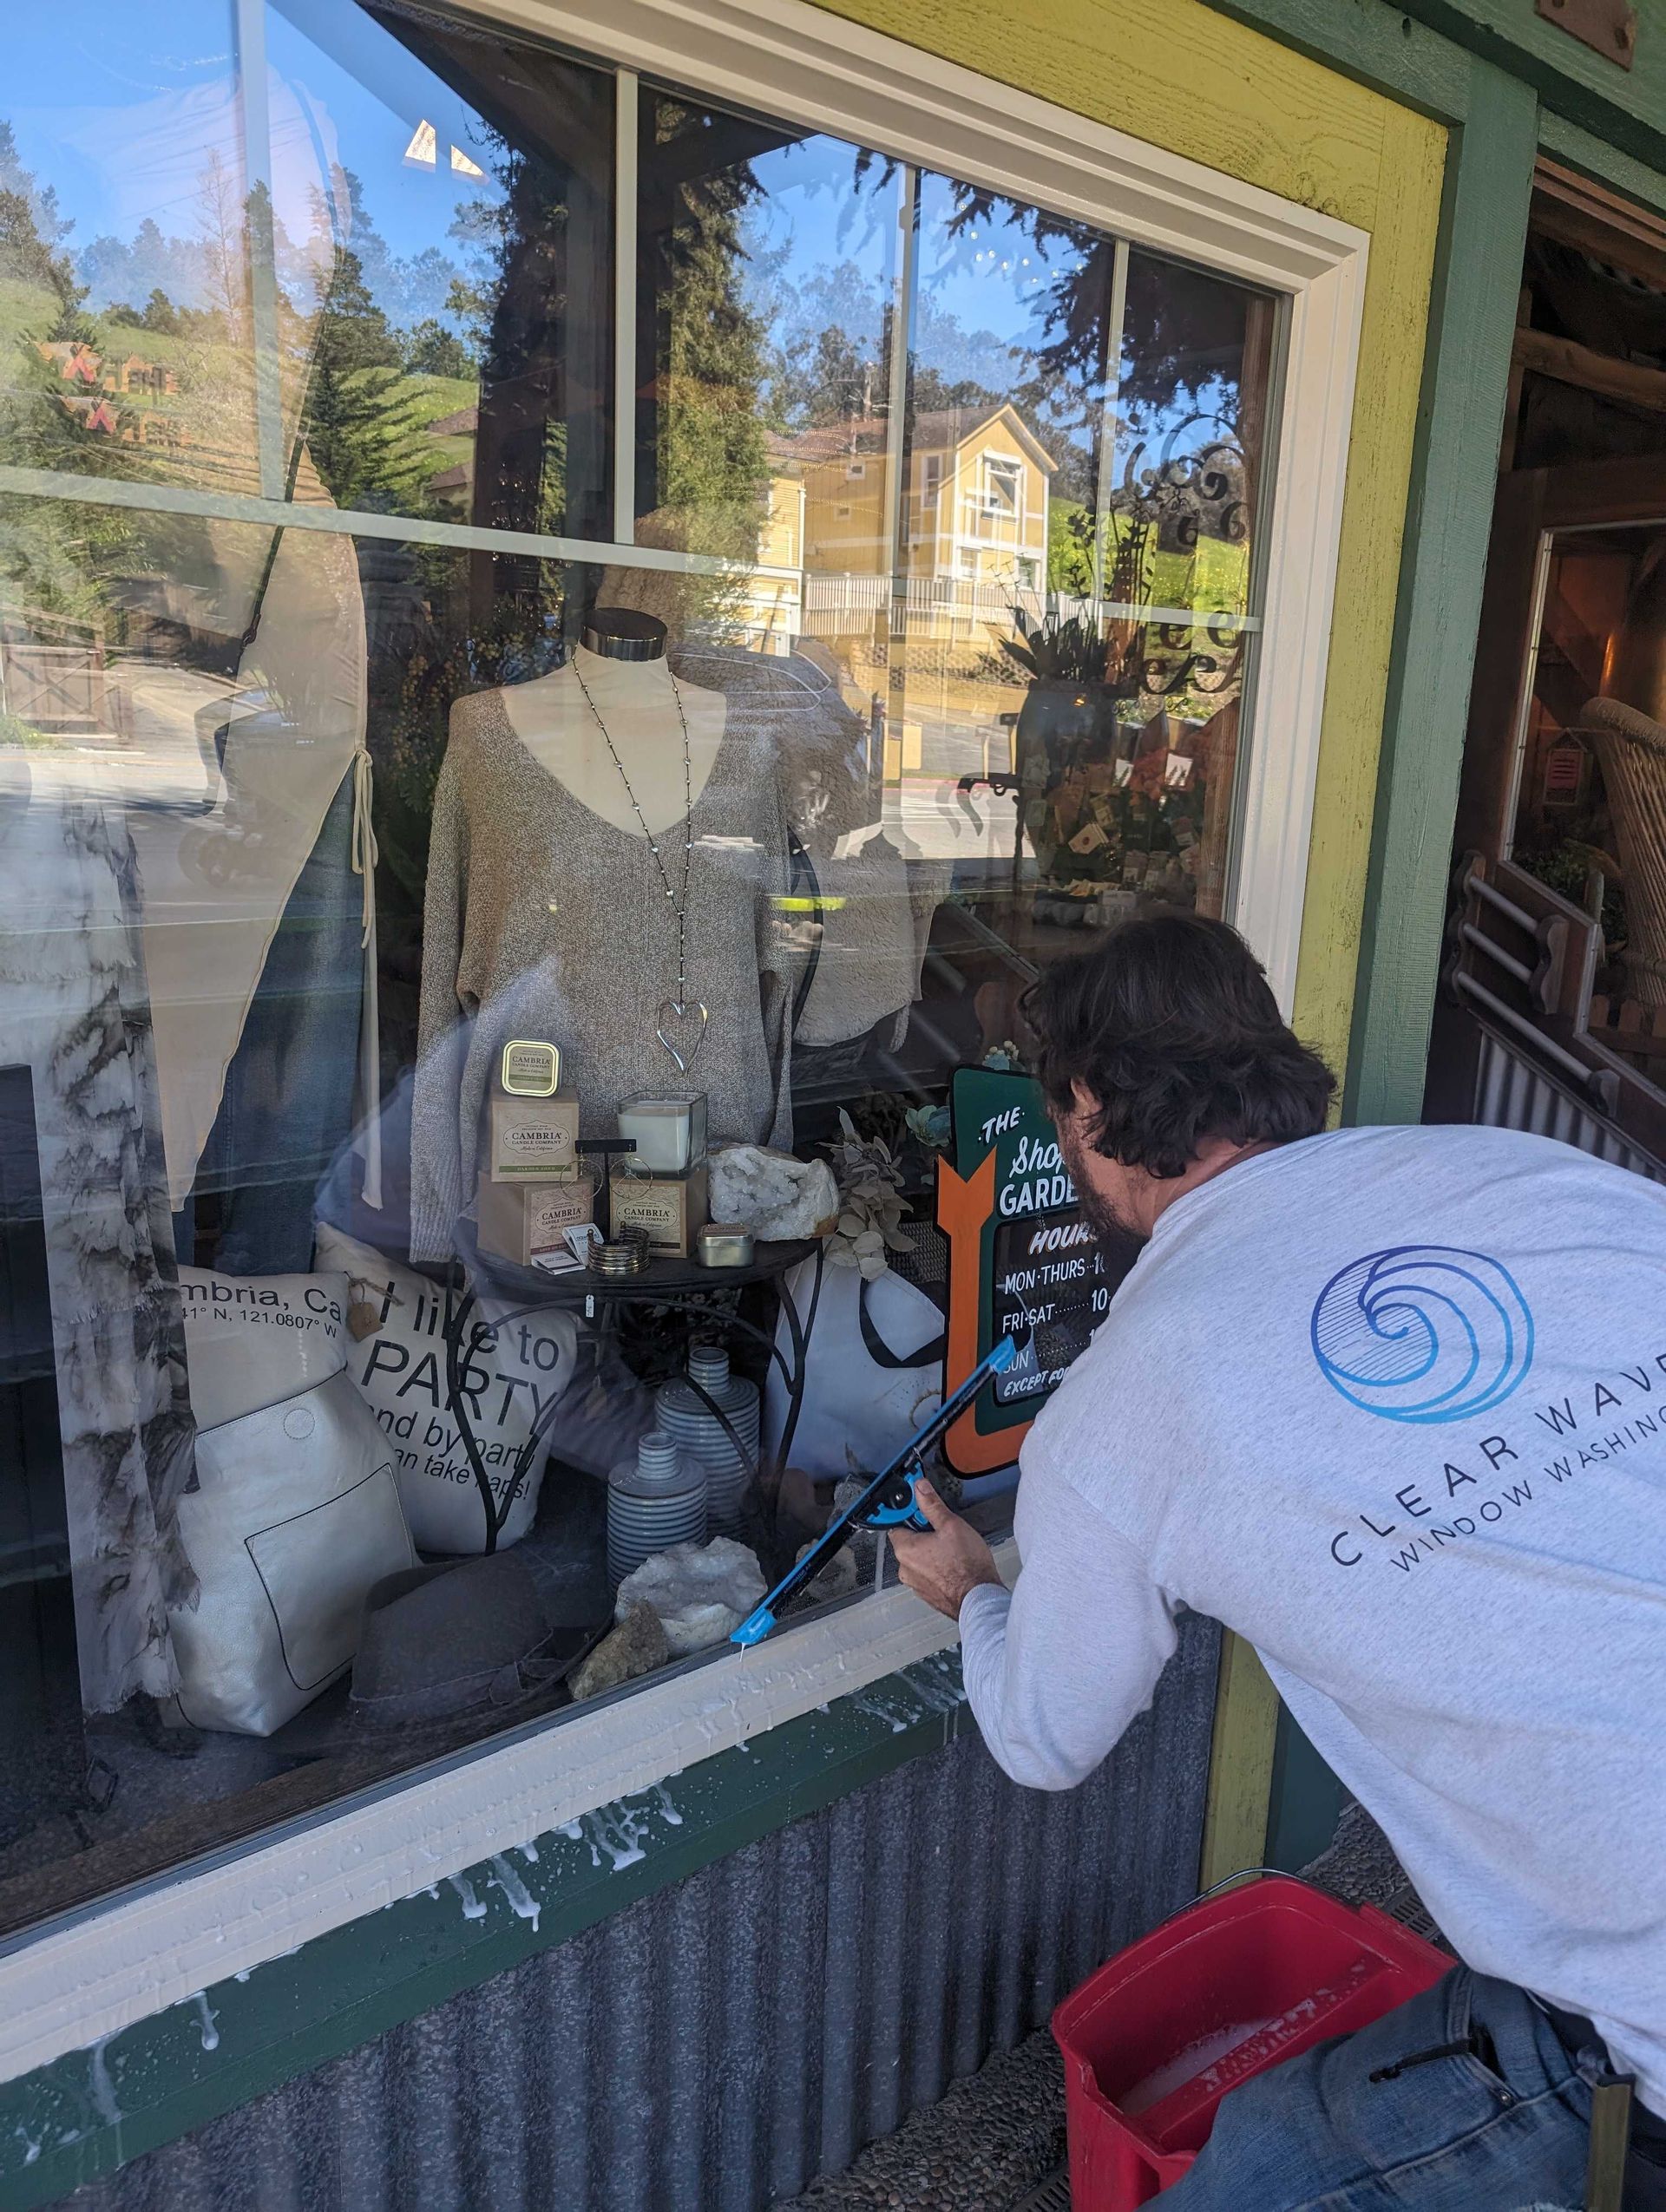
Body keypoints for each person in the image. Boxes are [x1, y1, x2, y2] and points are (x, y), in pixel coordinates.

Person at [891, 912, 1666, 2210]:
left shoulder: (1129, 1397)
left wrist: (975, 1591)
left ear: (1085, 1109)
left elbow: (1045, 1734)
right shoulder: (1529, 1175)